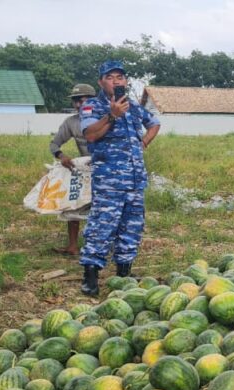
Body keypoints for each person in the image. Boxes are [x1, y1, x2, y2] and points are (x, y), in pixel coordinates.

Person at [78, 60, 161, 296]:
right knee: (101, 227)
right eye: (110, 77)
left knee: (131, 228)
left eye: (120, 77)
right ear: (101, 82)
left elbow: (154, 123)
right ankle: (90, 276)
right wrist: (112, 116)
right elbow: (90, 135)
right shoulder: (92, 106)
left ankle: (124, 274)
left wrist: (144, 141)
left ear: (125, 81)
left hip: (135, 181)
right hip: (109, 183)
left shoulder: (133, 106)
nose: (116, 81)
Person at [48, 83, 97, 255]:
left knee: (103, 209)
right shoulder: (72, 122)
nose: (79, 105)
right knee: (73, 203)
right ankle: (73, 246)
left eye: (83, 100)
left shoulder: (107, 118)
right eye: (76, 101)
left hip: (108, 170)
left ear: (94, 101)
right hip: (85, 171)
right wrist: (62, 156)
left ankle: (99, 246)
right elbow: (54, 144)